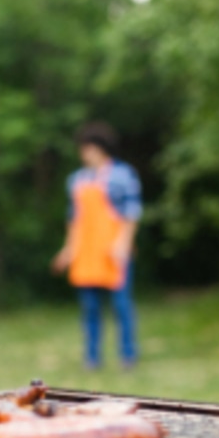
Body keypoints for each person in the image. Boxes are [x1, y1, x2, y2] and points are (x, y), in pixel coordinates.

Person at [51, 122, 142, 370]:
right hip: (86, 254)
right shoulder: (77, 180)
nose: (83, 153)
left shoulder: (123, 175)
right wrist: (68, 250)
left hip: (113, 253)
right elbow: (74, 220)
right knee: (89, 309)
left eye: (86, 147)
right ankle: (92, 358)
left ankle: (128, 355)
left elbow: (131, 214)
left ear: (99, 148)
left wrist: (122, 244)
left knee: (121, 307)